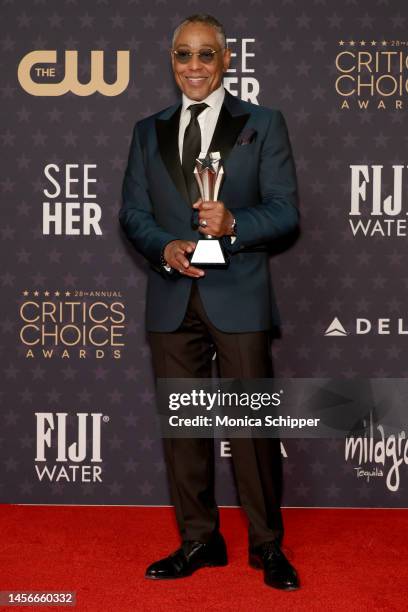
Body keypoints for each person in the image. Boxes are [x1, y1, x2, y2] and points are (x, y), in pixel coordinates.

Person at [119, 14, 300, 591]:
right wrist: (165, 246)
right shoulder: (148, 130)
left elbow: (285, 210)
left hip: (238, 295)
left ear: (225, 60)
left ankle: (268, 546)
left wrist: (233, 223)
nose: (193, 67)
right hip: (173, 297)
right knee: (184, 431)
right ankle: (199, 539)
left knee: (251, 430)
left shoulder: (262, 123)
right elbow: (133, 213)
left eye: (204, 55)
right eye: (182, 55)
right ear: (171, 62)